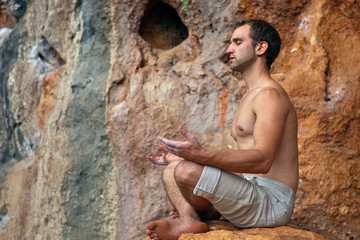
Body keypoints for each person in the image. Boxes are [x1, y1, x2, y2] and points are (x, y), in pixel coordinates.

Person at [146, 19, 299, 240]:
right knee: (174, 169)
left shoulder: (269, 95)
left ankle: (194, 215)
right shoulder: (251, 95)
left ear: (260, 48)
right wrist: (188, 158)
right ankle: (190, 219)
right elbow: (243, 170)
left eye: (237, 42)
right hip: (250, 189)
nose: (229, 49)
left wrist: (201, 157)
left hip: (272, 202)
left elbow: (263, 161)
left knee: (186, 170)